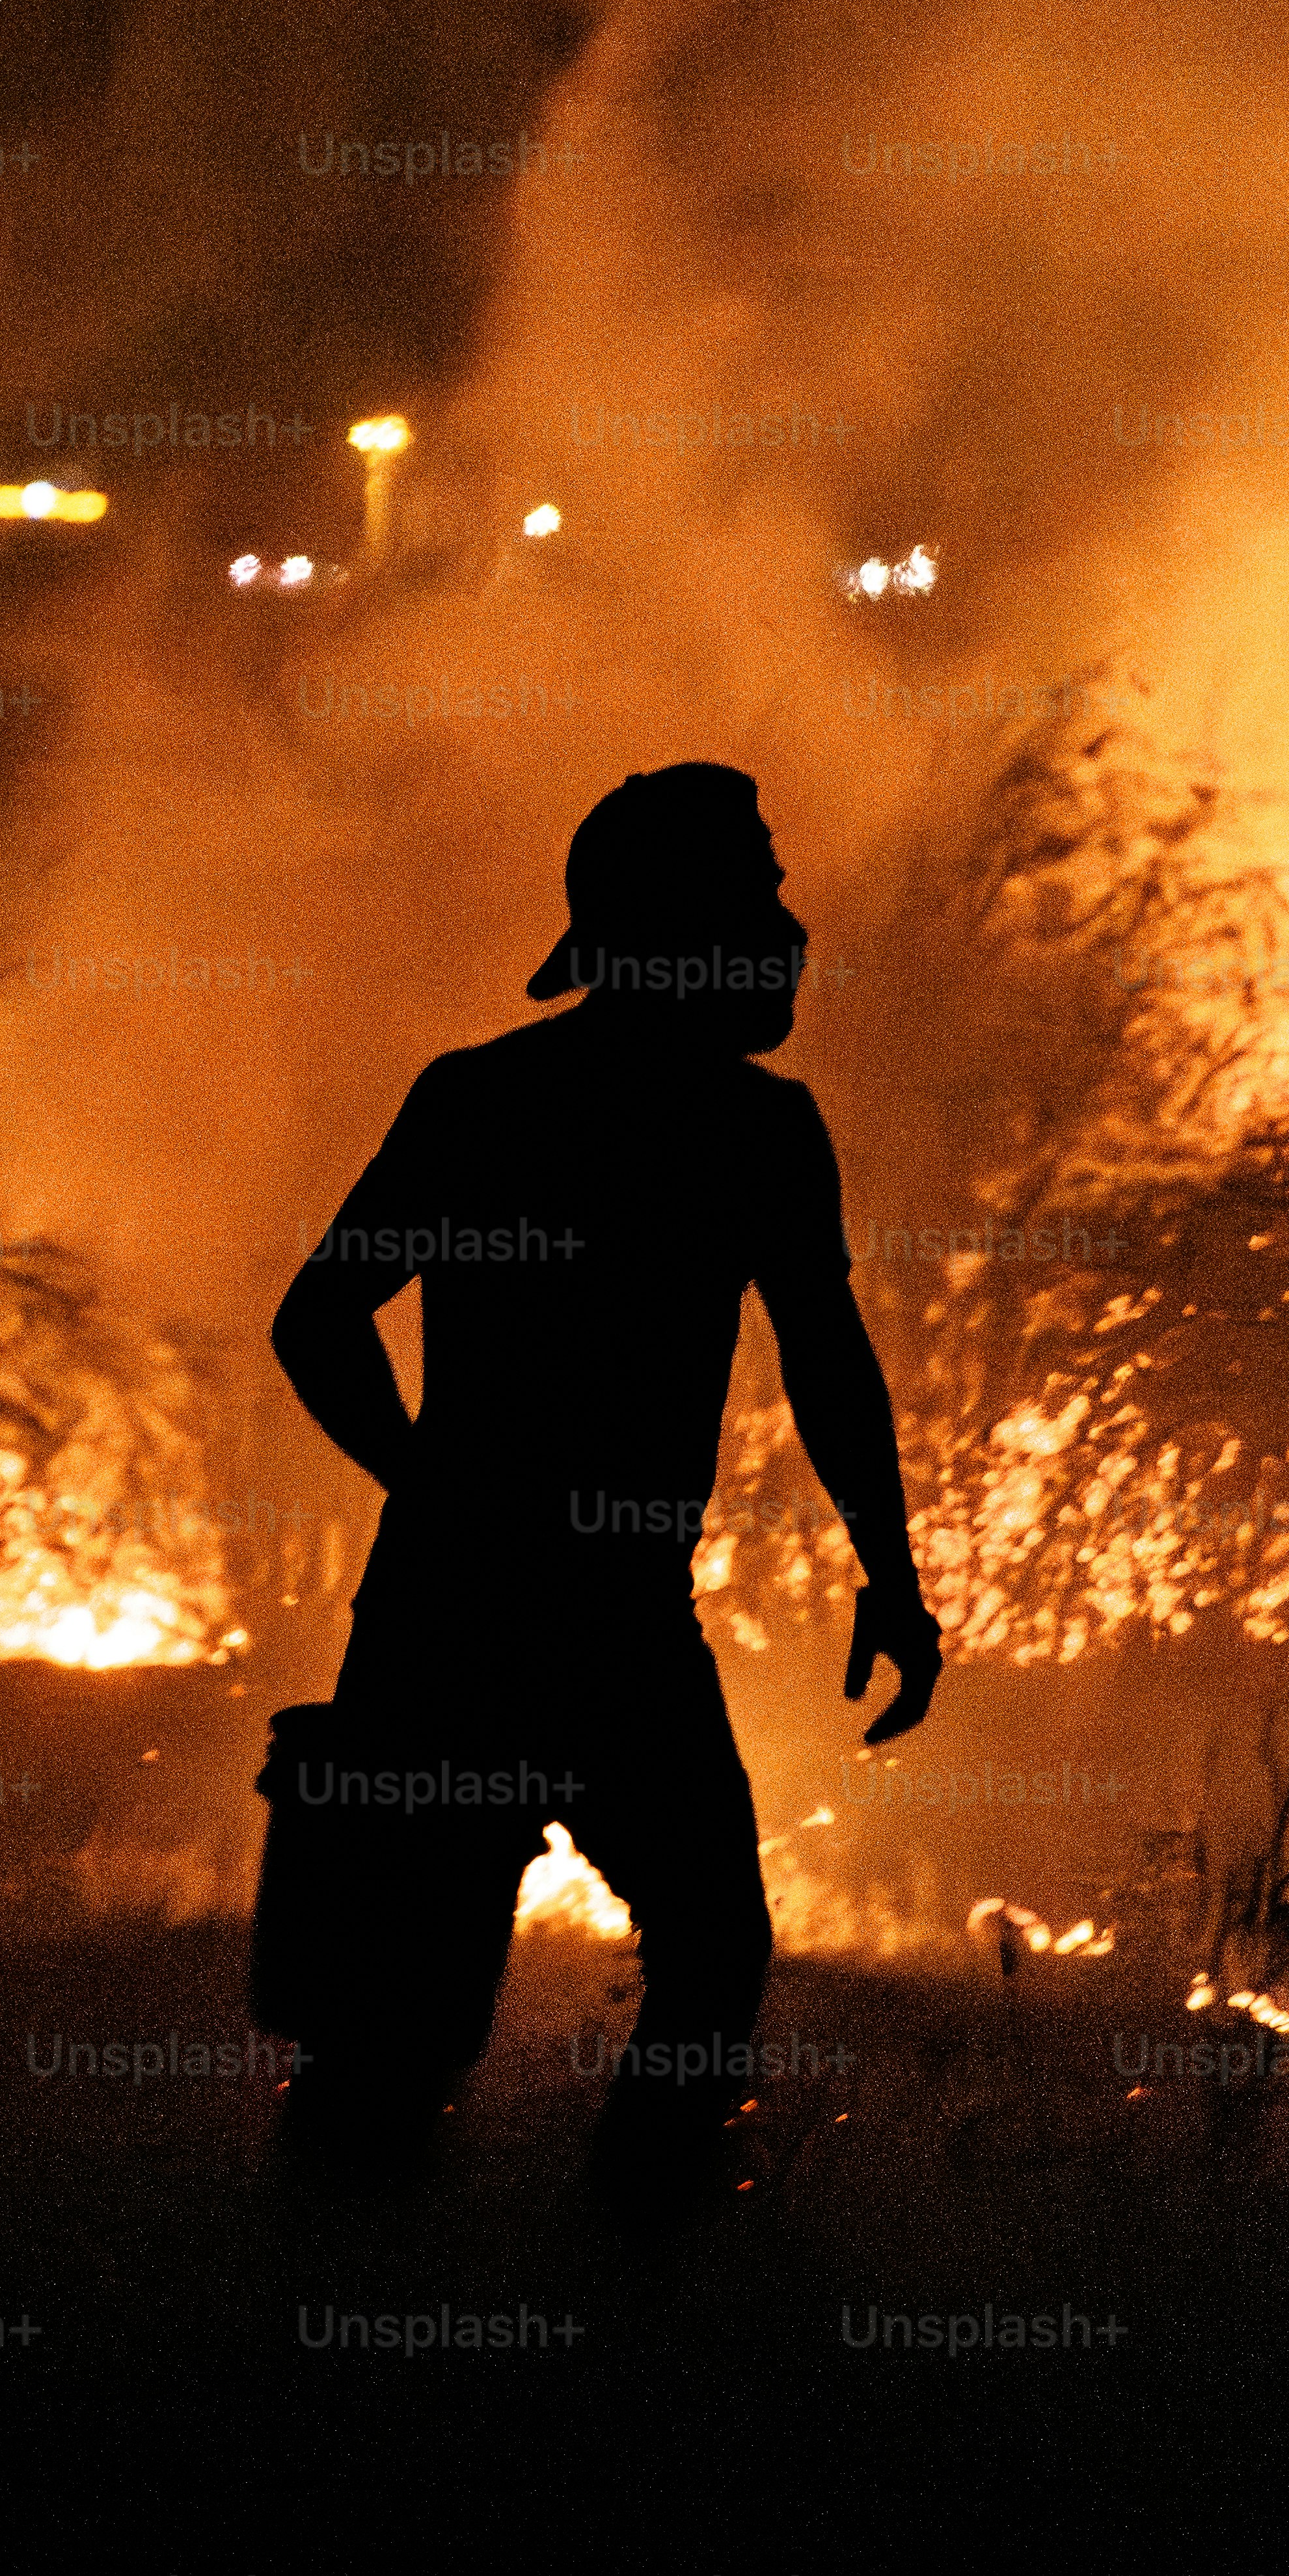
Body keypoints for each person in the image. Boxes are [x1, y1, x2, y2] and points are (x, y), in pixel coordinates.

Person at [256, 761, 945, 2201]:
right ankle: (622, 2274)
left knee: (399, 2029)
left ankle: (368, 2321)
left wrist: (427, 1483)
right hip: (592, 1630)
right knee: (696, 1959)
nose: (780, 921)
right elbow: (827, 1361)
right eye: (752, 891)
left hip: (468, 1618)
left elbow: (320, 1319)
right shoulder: (749, 1130)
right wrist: (888, 1579)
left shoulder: (492, 1101)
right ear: (675, 925)